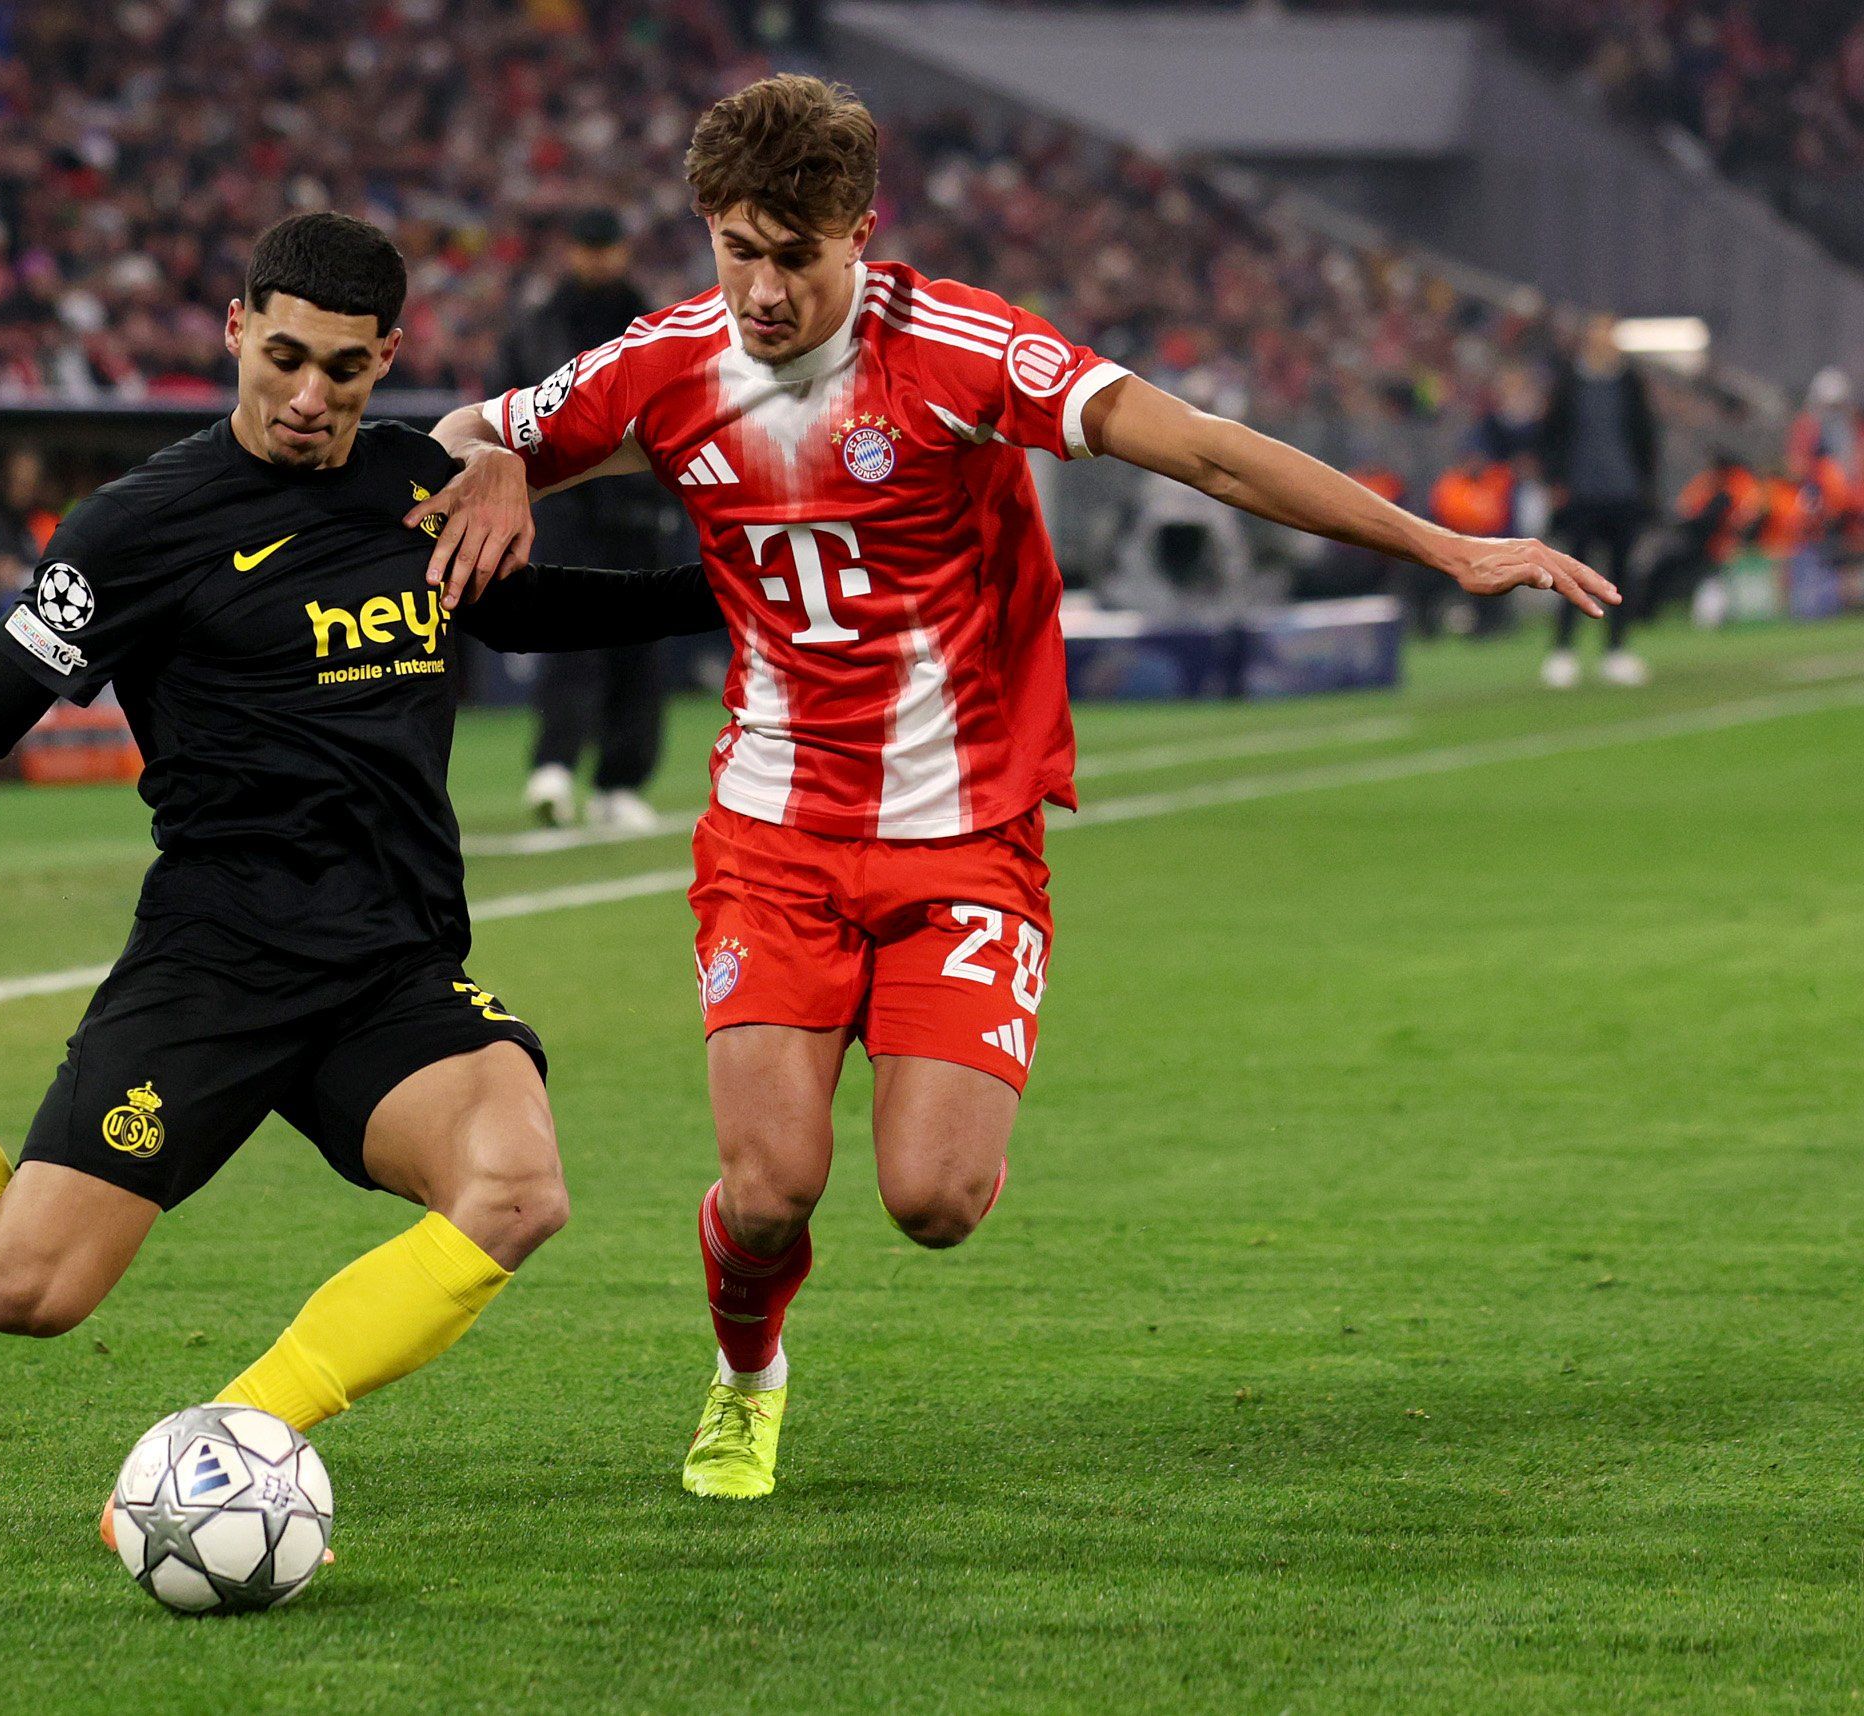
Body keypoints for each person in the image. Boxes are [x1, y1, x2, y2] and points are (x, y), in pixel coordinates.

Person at [413, 75, 1618, 1500]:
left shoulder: (965, 350)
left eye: (797, 256)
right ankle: (747, 1378)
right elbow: (459, 434)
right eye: (737, 252)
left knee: (935, 1201)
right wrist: (494, 462)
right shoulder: (661, 362)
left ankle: (921, 1138)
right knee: (771, 1189)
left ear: (861, 233)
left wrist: (1444, 547)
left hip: (965, 837)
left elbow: (1208, 451)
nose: (765, 291)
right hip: (774, 835)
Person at [0, 215, 722, 1544]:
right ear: (235, 330)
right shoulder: (134, 529)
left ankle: (230, 1448)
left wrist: (741, 587)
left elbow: (528, 606)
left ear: (388, 358)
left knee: (517, 1191)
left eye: (344, 368)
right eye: (284, 357)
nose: (309, 395)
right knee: (16, 1291)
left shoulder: (412, 484)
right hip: (216, 963)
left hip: (390, 968)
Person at [493, 208, 684, 832]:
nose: (596, 259)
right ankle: (554, 766)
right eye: (587, 247)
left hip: (638, 509)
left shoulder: (655, 325)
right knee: (569, 638)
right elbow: (504, 410)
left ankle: (619, 782)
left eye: (605, 247)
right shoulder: (538, 327)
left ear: (622, 250)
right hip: (568, 509)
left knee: (639, 649)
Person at [1536, 314, 1660, 687]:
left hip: (1622, 493)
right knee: (1569, 574)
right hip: (1580, 494)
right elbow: (1551, 434)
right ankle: (1563, 650)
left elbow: (1646, 436)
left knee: (1620, 576)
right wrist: (1555, 481)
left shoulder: (1630, 382)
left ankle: (1616, 650)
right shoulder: (1569, 382)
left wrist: (1644, 484)